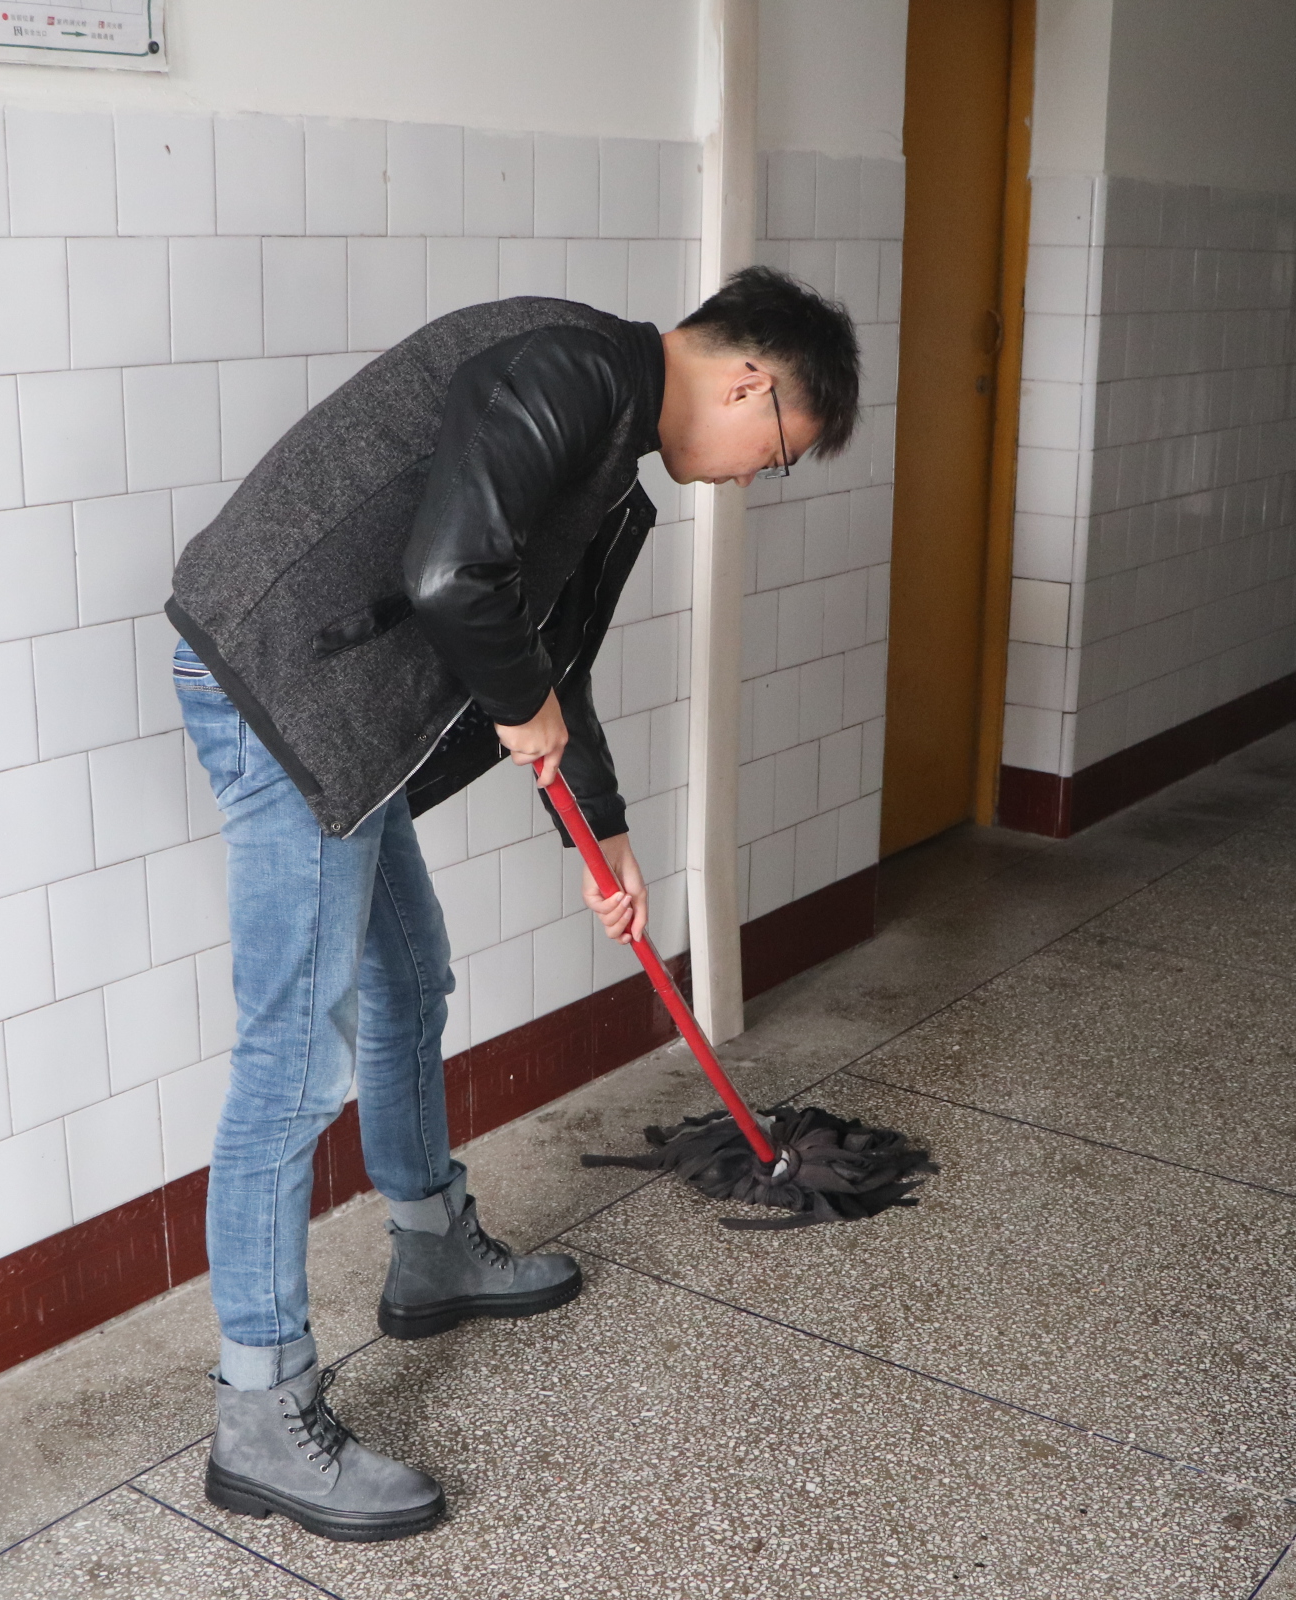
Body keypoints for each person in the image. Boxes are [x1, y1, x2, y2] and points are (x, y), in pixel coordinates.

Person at [163, 266, 861, 1541]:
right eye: (776, 453)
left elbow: (549, 661)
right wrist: (521, 703)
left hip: (345, 697)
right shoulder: (573, 371)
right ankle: (258, 1409)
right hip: (287, 686)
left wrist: (609, 833)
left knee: (412, 979)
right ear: (750, 382)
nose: (754, 478)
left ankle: (431, 1247)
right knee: (292, 1061)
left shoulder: (607, 442)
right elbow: (450, 572)